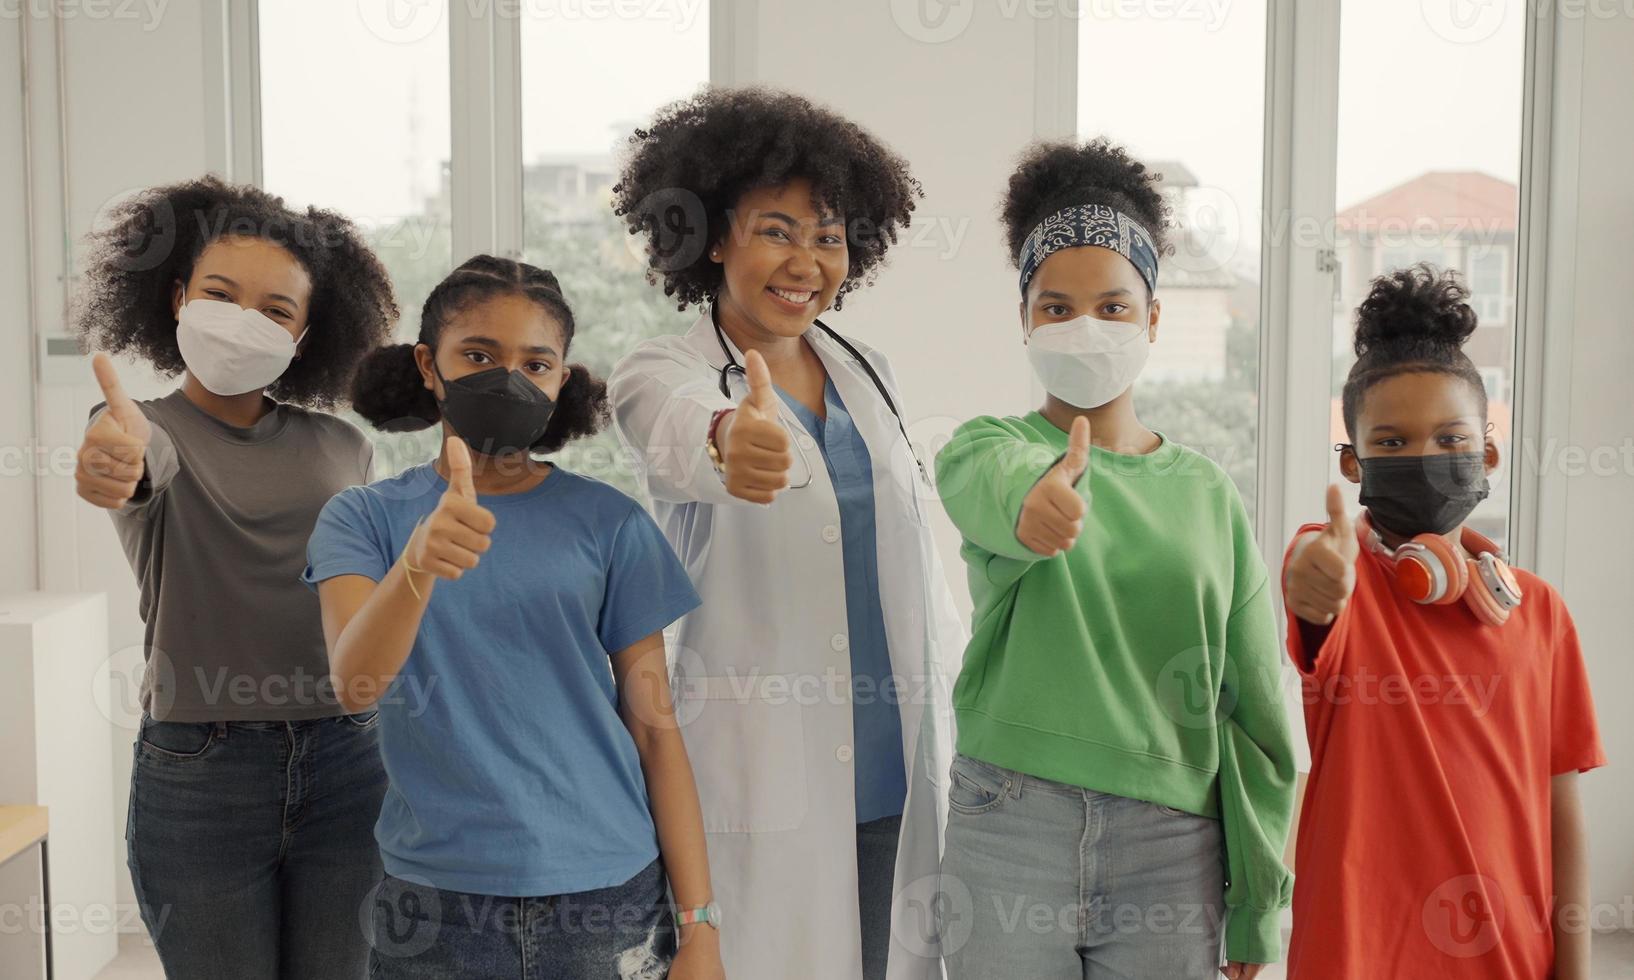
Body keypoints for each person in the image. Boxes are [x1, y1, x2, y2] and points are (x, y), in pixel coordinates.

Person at [606, 86, 967, 980]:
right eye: (777, 230)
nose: (806, 259)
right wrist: (733, 438)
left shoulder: (866, 371)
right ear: (715, 235)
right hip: (755, 776)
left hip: (893, 772)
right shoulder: (667, 368)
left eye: (828, 236)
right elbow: (676, 429)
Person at [933, 138, 1296, 979]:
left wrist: (1259, 905)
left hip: (1175, 840)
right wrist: (1037, 505)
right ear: (1024, 318)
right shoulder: (991, 448)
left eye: (1111, 305)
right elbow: (989, 485)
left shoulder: (1208, 493)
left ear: (1154, 317)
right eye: (1055, 307)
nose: (1083, 326)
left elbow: (1257, 715)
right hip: (1010, 819)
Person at [305, 255, 725, 979]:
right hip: (436, 907)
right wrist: (418, 565)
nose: (510, 379)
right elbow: (356, 685)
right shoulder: (363, 519)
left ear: (561, 380)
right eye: (478, 355)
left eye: (536, 363)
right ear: (428, 367)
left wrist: (701, 928)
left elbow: (655, 728)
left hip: (607, 896)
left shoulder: (610, 524)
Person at [72, 175, 398, 979]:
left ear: (306, 332)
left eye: (275, 309)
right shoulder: (140, 428)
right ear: (177, 296)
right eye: (221, 293)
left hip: (350, 762)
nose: (244, 320)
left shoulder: (343, 446)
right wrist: (109, 461)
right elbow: (131, 463)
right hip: (200, 773)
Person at [1280, 263, 1604, 979]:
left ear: (1487, 453)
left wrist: (1575, 966)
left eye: (1450, 440)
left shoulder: (1542, 612)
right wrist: (1313, 578)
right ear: (1353, 465)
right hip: (1353, 957)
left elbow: (1562, 809)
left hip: (1511, 958)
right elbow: (1311, 588)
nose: (1423, 458)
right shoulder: (1337, 576)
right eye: (1390, 443)